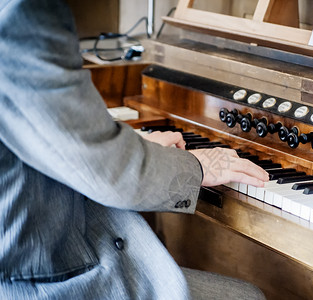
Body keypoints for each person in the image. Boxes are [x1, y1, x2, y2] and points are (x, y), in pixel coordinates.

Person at [0, 0, 269, 299]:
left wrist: (136, 147)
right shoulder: (22, 15)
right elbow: (108, 171)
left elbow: (49, 136)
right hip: (35, 280)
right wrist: (197, 165)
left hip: (23, 260)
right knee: (246, 296)